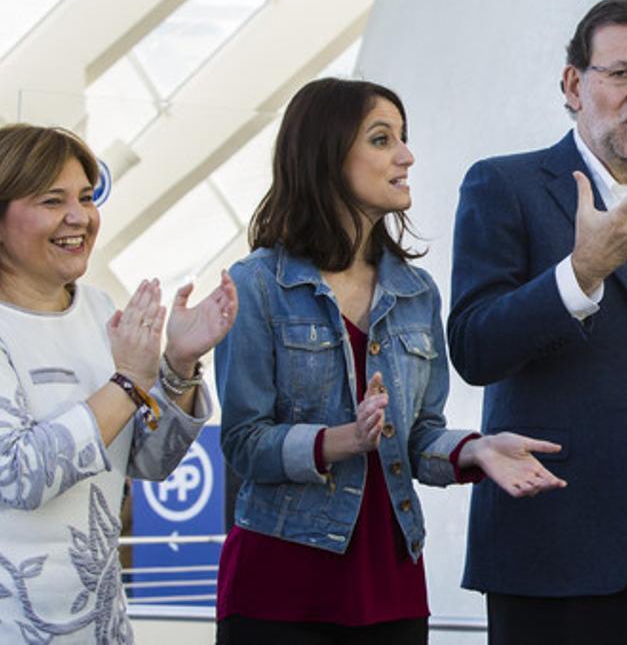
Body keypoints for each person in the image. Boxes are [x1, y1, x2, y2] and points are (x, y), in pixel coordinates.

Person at [214, 78, 565, 645]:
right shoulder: (255, 285)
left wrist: (472, 448)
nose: (407, 156)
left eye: (403, 138)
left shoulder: (417, 291)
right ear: (325, 155)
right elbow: (243, 443)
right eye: (382, 140)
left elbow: (418, 434)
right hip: (280, 586)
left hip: (391, 582)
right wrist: (340, 440)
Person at [448, 0, 627, 645]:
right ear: (574, 84)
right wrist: (579, 274)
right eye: (620, 73)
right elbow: (472, 345)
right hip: (557, 542)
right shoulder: (506, 187)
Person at [0, 124, 236, 643]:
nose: (78, 217)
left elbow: (149, 462)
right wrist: (128, 381)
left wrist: (179, 364)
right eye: (51, 200)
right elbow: (19, 476)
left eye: (86, 197)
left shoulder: (100, 309)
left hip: (103, 630)